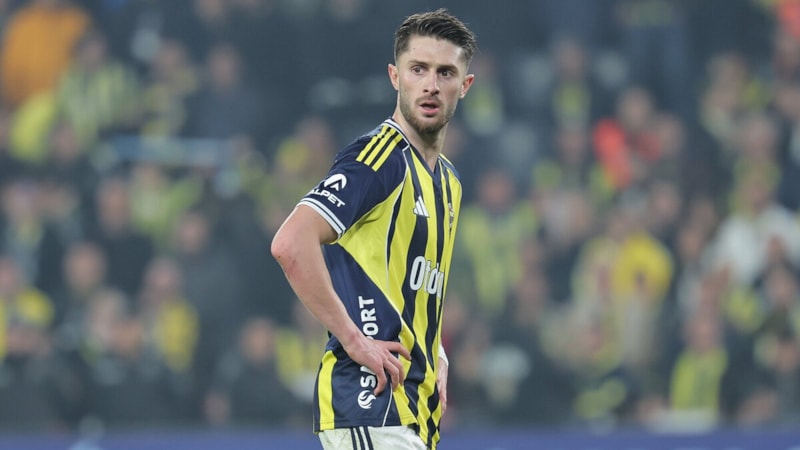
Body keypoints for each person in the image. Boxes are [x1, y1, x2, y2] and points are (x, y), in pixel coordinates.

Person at [271, 9, 476, 450]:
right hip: (370, 403)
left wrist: (436, 352)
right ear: (394, 77)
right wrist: (353, 339)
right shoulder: (379, 158)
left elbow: (414, 285)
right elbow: (291, 242)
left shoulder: (450, 183)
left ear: (465, 85)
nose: (431, 84)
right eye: (417, 69)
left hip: (413, 413)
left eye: (445, 72)